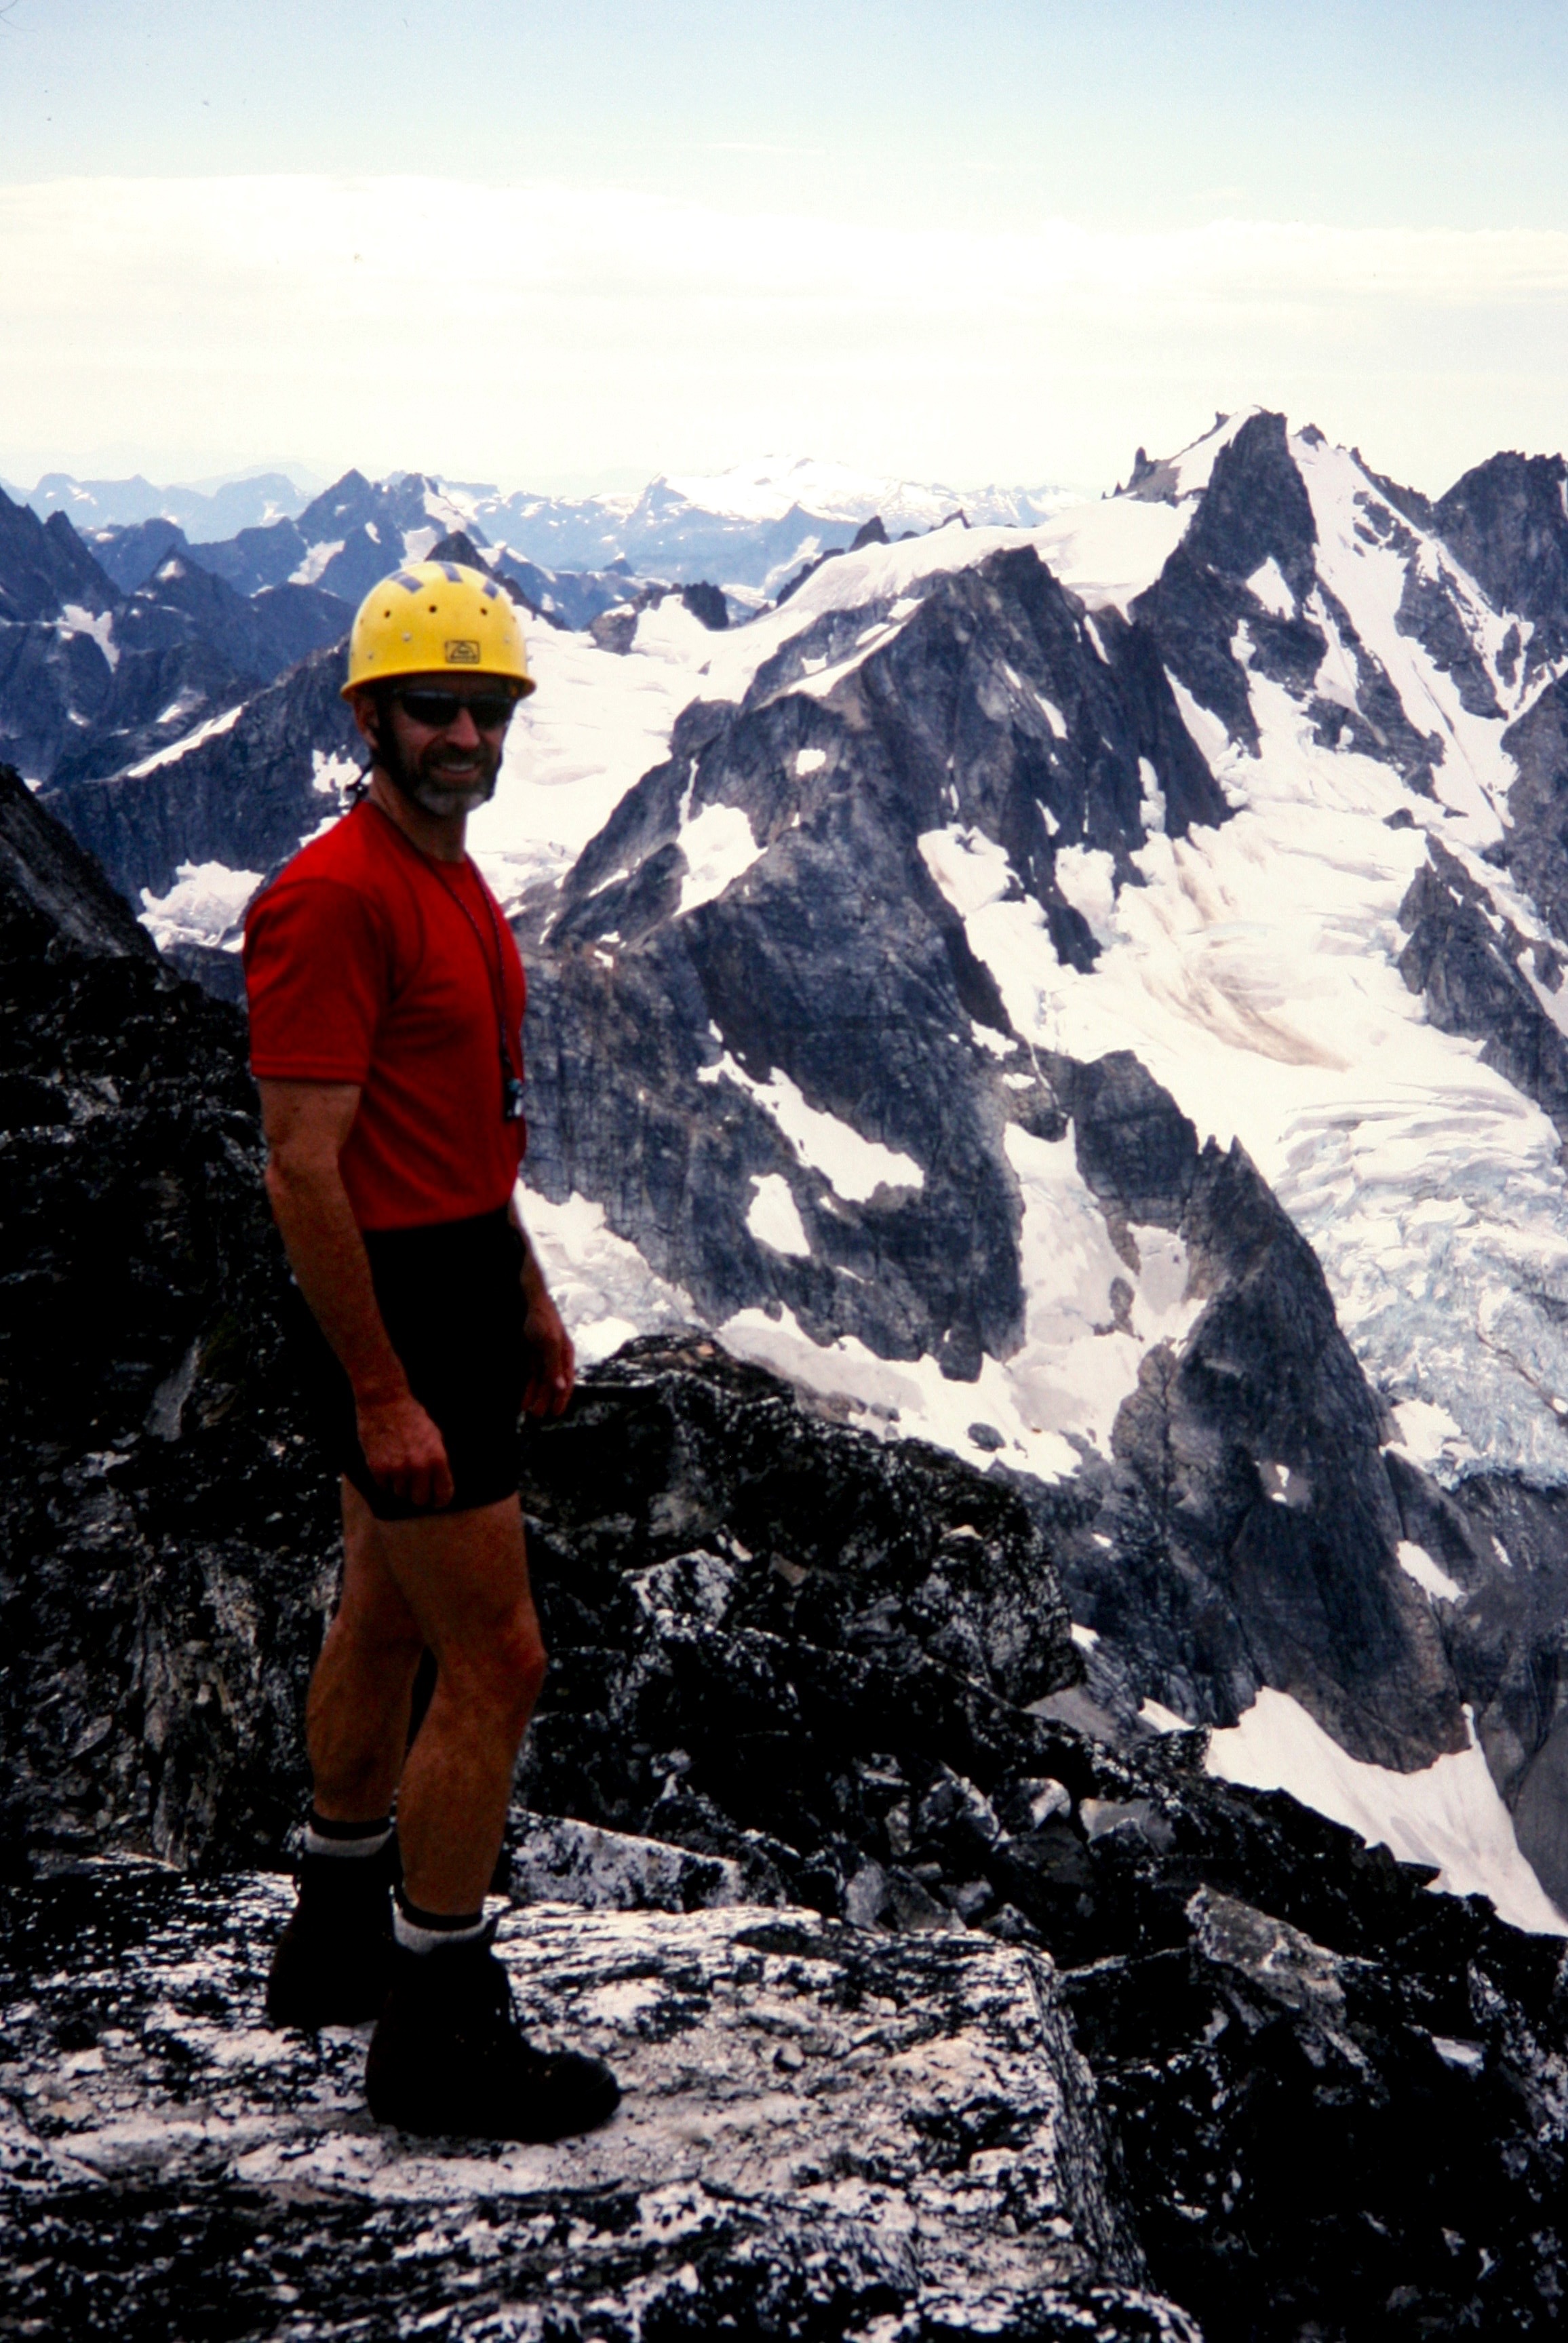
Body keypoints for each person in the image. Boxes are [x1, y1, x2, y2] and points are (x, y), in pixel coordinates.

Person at [242, 560, 619, 2143]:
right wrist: (386, 1383)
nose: (463, 730)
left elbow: (452, 1123)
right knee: (502, 1658)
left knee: (387, 1616)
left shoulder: (449, 877)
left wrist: (521, 1278)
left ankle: (333, 1934)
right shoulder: (335, 896)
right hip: (391, 1304)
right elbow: (301, 1161)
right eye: (432, 708)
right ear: (372, 718)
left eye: (486, 706)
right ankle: (437, 2026)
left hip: (455, 1276)